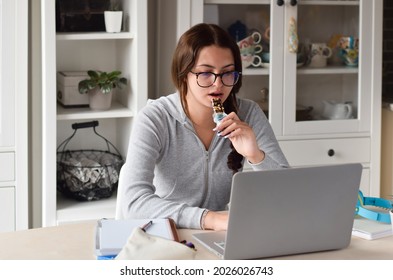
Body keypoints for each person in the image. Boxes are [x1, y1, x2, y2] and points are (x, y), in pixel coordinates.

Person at [117, 23, 289, 231]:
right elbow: (134, 203)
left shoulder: (248, 113)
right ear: (184, 74)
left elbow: (285, 193)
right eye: (205, 73)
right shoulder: (155, 118)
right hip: (168, 231)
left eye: (227, 73)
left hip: (220, 234)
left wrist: (256, 155)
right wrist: (211, 219)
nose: (218, 85)